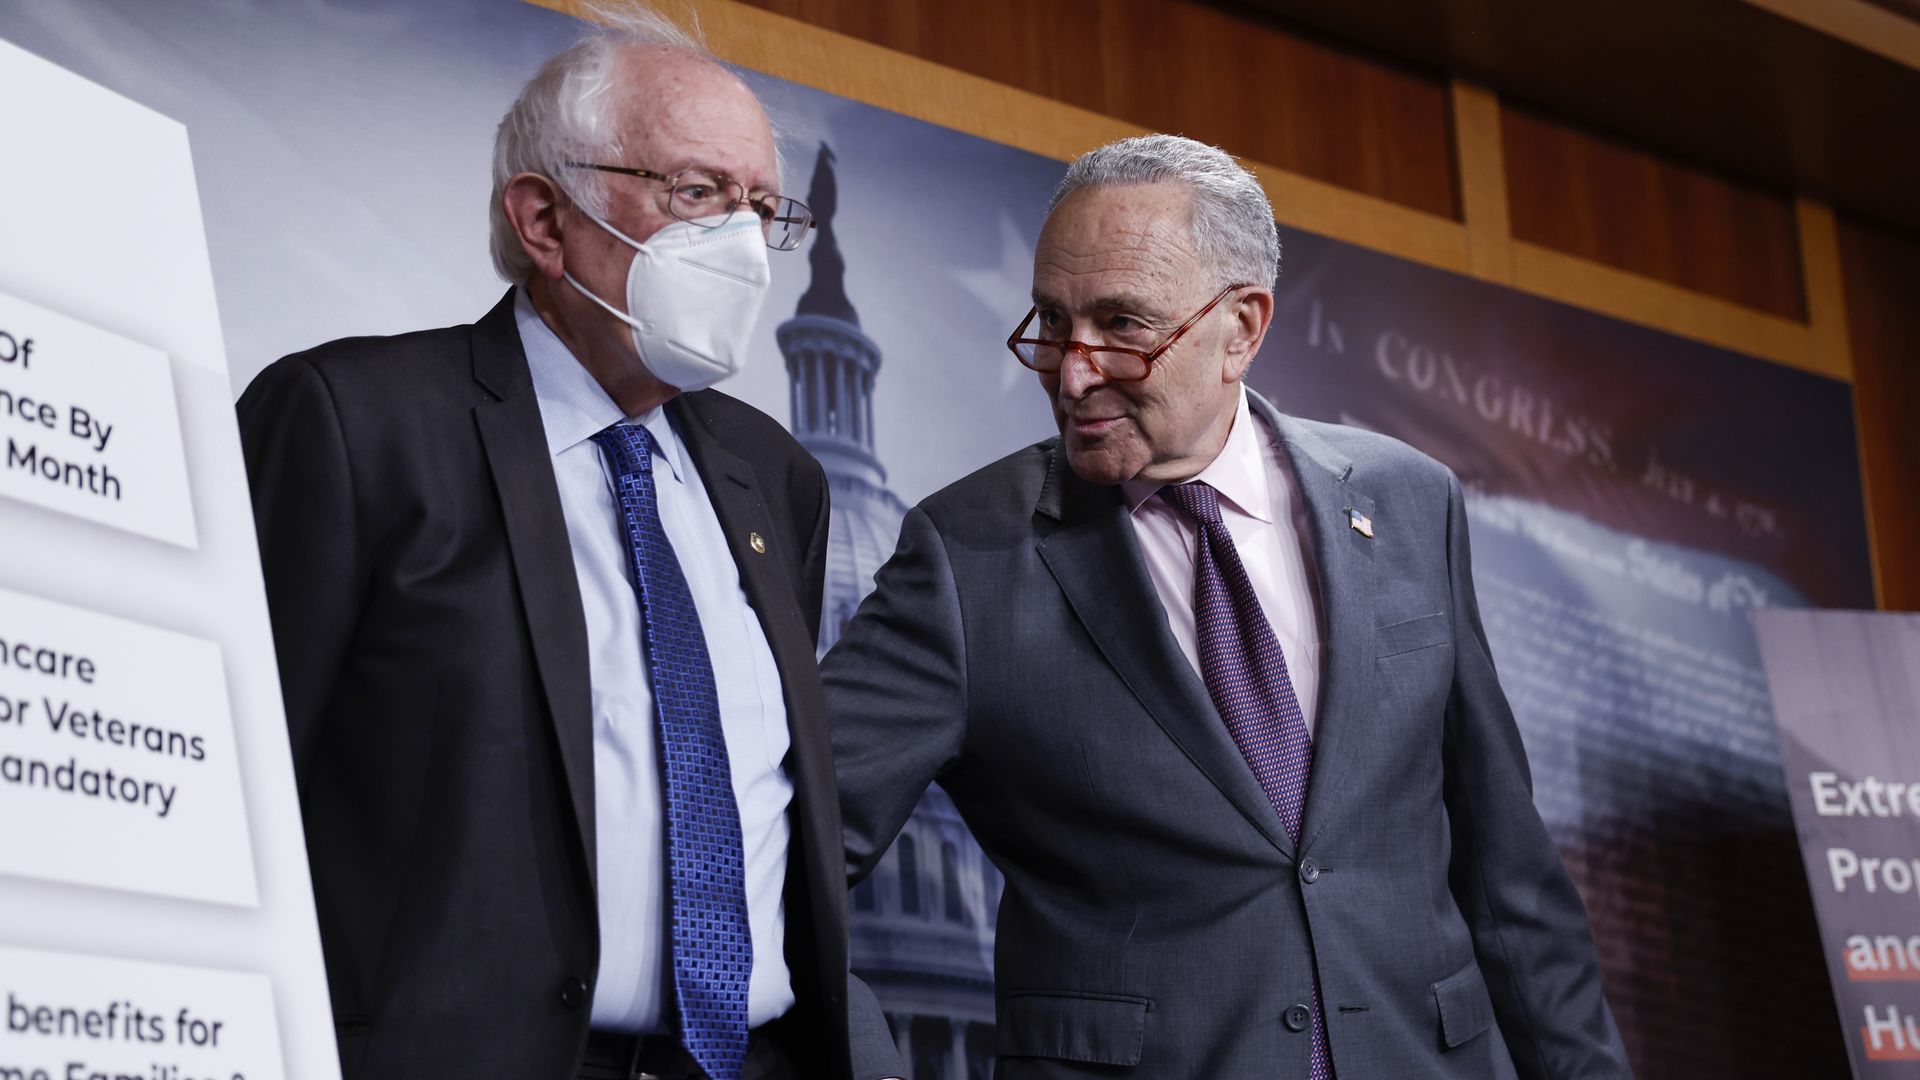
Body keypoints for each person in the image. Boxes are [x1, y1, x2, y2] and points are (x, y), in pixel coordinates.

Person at [827, 135, 1632, 1078]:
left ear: (1242, 327)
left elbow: (1509, 876)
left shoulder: (1410, 501)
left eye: (1123, 325)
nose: (1074, 374)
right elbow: (786, 850)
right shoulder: (965, 555)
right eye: (1052, 321)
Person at [238, 10, 863, 1079]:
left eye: (765, 208)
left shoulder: (778, 479)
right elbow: (238, 789)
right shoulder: (354, 424)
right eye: (698, 194)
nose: (746, 247)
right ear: (543, 218)